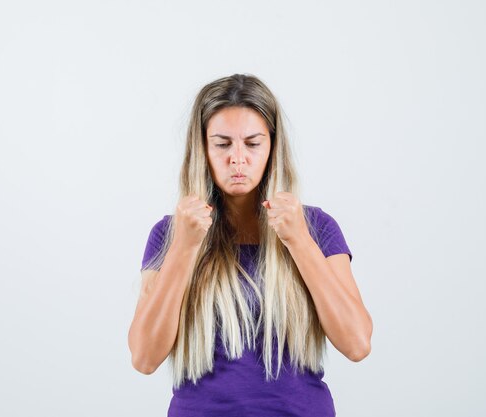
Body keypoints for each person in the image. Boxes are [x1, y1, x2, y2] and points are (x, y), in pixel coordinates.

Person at [128, 73, 373, 417]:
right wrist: (184, 248)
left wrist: (299, 241)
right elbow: (144, 357)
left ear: (273, 147)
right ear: (203, 149)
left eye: (253, 143)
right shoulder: (171, 233)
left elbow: (357, 344)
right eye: (223, 144)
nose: (238, 159)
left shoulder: (316, 227)